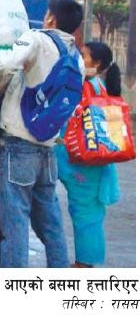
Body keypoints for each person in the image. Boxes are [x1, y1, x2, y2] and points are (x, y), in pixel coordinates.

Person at [0, 0, 84, 268]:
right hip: (48, 149)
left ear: (51, 19)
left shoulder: (37, 39)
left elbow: (6, 63)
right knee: (51, 225)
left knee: (14, 226)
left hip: (18, 145)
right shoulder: (77, 58)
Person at [55, 41, 122, 268]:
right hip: (89, 162)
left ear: (97, 63)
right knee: (87, 213)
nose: (78, 59)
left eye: (83, 55)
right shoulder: (98, 86)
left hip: (84, 163)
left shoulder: (90, 87)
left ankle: (84, 264)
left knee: (86, 214)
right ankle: (84, 262)